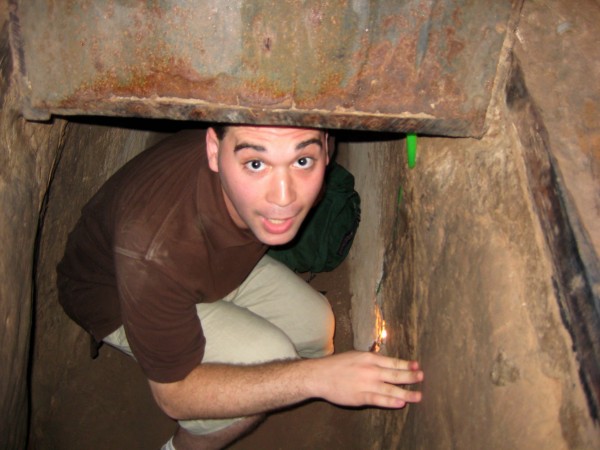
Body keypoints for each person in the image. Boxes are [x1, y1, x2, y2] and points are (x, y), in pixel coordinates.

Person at [57, 124, 424, 450]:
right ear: (214, 152)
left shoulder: (241, 164)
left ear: (327, 149)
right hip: (118, 293)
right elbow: (174, 396)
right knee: (268, 357)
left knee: (315, 327)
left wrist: (306, 377)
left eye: (302, 162)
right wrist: (313, 379)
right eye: (255, 164)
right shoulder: (152, 247)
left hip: (213, 267)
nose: (283, 198)